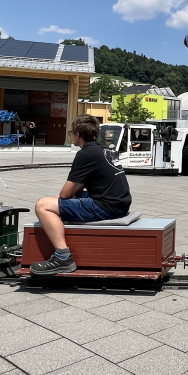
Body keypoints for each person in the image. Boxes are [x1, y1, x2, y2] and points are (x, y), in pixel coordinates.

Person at [31, 114, 132, 275]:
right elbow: (84, 183)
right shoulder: (104, 149)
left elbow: (64, 194)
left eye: (72, 132)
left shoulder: (85, 154)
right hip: (120, 203)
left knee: (42, 205)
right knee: (65, 200)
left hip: (106, 206)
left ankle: (63, 257)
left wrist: (59, 200)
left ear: (78, 135)